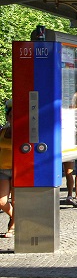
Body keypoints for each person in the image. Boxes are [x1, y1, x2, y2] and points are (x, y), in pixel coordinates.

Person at [0, 100, 14, 238]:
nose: (12, 118)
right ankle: (14, 217)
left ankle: (13, 226)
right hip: (3, 169)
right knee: (2, 201)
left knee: (16, 201)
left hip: (18, 170)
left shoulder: (23, 132)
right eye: (10, 116)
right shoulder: (3, 131)